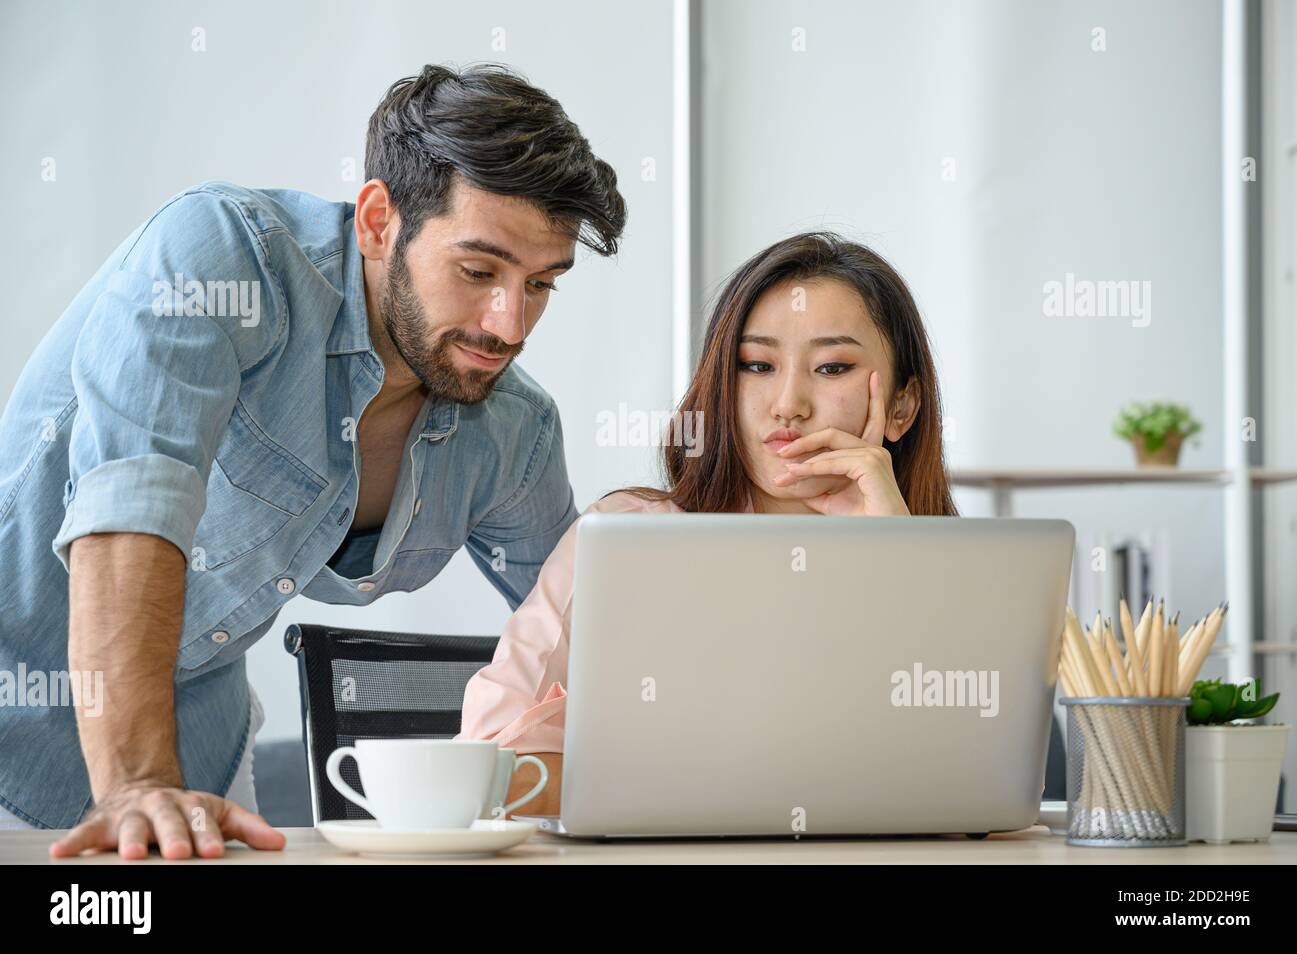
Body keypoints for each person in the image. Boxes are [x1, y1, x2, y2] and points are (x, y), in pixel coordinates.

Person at [0, 63, 625, 858]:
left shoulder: (512, 431)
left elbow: (602, 633)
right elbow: (134, 508)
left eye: (541, 285)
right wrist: (134, 785)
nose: (509, 324)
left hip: (191, 750)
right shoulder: (223, 259)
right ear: (376, 220)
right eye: (478, 271)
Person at [455, 231, 958, 816]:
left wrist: (898, 568)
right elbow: (487, 769)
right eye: (757, 364)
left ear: (901, 406)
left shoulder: (957, 577)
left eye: (832, 366)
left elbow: (976, 790)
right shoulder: (626, 540)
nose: (788, 403)